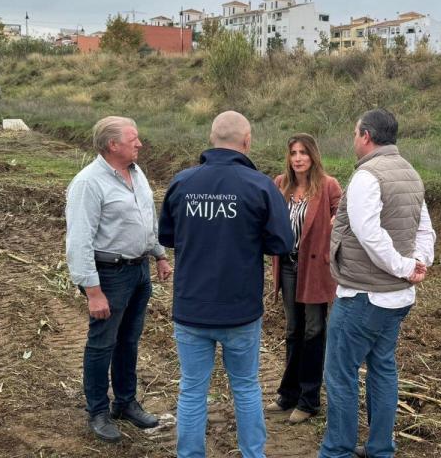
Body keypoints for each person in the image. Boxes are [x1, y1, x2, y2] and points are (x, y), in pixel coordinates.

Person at [159, 111, 293, 458]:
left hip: (191, 307)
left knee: (191, 390)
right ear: (246, 141)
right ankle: (253, 454)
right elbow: (282, 242)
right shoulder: (260, 185)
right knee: (246, 388)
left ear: (211, 137)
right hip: (240, 309)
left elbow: (168, 236)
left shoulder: (182, 182)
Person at [319, 109, 436, 458]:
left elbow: (368, 233)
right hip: (398, 299)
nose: (354, 139)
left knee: (340, 374)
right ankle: (381, 449)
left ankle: (337, 450)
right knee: (383, 369)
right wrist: (419, 263)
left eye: (356, 133)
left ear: (367, 136)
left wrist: (404, 266)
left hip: (363, 297)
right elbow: (425, 229)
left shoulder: (367, 177)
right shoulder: (411, 174)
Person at [65, 116, 172, 443]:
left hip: (138, 272)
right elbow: (79, 240)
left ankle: (125, 402)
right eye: (133, 139)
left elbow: (146, 218)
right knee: (102, 343)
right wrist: (93, 291)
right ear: (113, 145)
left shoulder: (137, 174)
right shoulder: (89, 183)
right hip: (109, 275)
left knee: (129, 340)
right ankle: (98, 410)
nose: (140, 144)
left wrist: (159, 254)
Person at [266, 134, 343, 424]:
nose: (298, 158)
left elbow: (344, 215)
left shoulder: (328, 185)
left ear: (313, 156)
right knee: (293, 330)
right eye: (293, 153)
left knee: (314, 330)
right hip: (287, 266)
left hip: (316, 269)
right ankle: (288, 393)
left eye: (303, 153)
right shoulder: (280, 184)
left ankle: (310, 400)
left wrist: (335, 228)